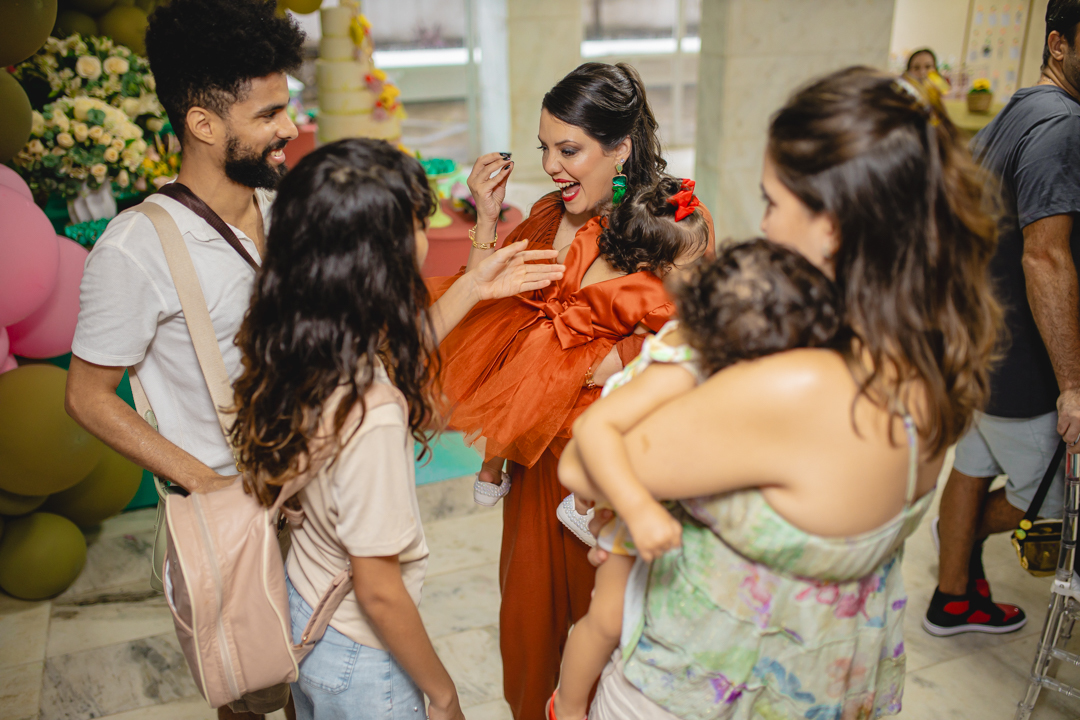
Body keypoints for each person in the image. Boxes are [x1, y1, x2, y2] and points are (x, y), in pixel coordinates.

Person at [561, 66, 1001, 719]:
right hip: (824, 688)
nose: (763, 228)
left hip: (695, 694)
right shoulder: (927, 355)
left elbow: (584, 463)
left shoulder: (799, 384)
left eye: (771, 202)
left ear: (832, 225)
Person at [227, 139, 565, 720]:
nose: (424, 237)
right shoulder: (374, 411)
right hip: (359, 655)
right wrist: (443, 693)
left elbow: (392, 356)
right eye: (418, 223)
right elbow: (379, 591)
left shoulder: (302, 341)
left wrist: (475, 285)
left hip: (305, 610)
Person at [429, 62, 713, 720]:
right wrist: (487, 219)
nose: (551, 167)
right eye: (544, 149)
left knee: (609, 631)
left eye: (568, 150)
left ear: (621, 148)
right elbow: (482, 313)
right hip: (535, 463)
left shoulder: (675, 221)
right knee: (533, 633)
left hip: (613, 472)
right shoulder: (544, 217)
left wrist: (603, 357)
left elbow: (700, 333)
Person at [64, 1, 305, 717]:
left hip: (314, 491)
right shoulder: (133, 248)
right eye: (268, 114)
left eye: (286, 108)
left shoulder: (286, 209)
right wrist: (207, 484)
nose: (289, 128)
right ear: (203, 123)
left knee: (327, 679)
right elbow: (86, 396)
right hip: (229, 514)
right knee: (249, 691)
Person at [551, 238, 843, 720]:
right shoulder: (682, 363)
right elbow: (596, 430)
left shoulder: (754, 362)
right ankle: (566, 705)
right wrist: (636, 509)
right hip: (630, 486)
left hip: (679, 494)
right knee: (607, 617)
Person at [925, 0, 1080, 637]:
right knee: (1050, 504)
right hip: (1023, 368)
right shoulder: (1062, 125)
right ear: (1058, 44)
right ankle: (958, 547)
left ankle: (952, 597)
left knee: (971, 467)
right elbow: (1045, 257)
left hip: (982, 349)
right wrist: (1072, 385)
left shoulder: (1014, 113)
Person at [472, 175, 711, 507]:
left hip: (539, 335)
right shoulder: (653, 295)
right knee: (602, 423)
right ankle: (582, 502)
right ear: (650, 265)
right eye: (692, 264)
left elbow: (556, 263)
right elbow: (652, 342)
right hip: (579, 360)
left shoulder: (588, 239)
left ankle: (489, 474)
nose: (699, 270)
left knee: (512, 408)